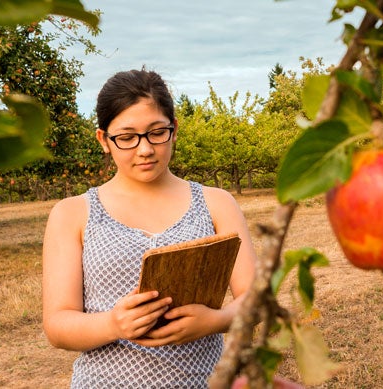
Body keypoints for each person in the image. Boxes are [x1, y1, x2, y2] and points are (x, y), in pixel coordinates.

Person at [41, 69, 257, 388]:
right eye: (127, 137)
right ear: (104, 140)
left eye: (157, 133)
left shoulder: (216, 203)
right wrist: (114, 324)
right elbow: (58, 325)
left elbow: (256, 298)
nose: (145, 149)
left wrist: (215, 321)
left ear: (174, 129)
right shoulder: (72, 213)